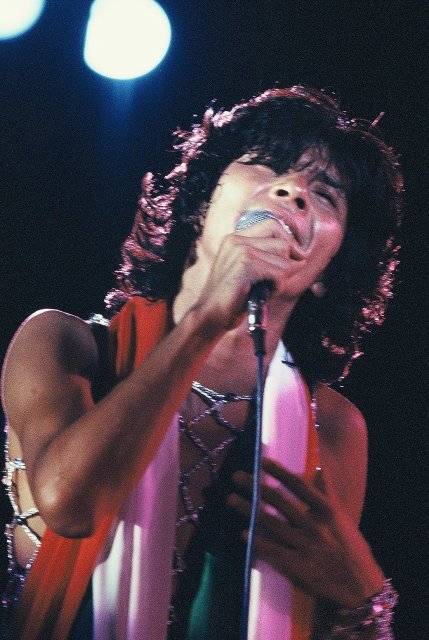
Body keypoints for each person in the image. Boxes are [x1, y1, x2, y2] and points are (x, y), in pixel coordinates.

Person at [1, 86, 402, 639]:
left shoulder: (332, 426)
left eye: (326, 194)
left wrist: (364, 597)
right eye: (268, 164)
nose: (293, 191)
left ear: (330, 270)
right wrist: (208, 316)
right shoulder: (67, 345)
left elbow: (332, 613)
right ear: (200, 204)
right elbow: (71, 507)